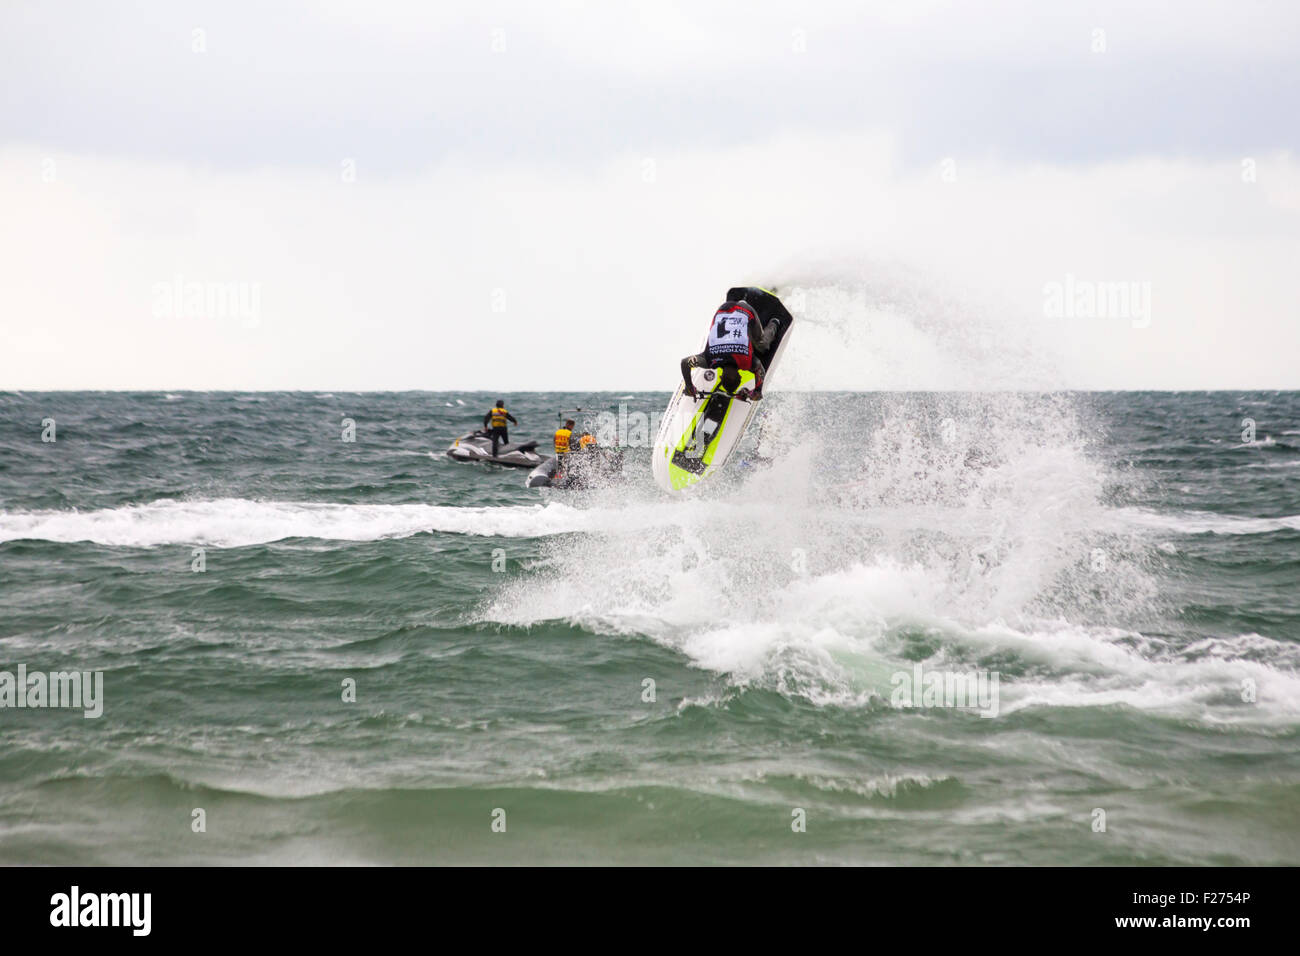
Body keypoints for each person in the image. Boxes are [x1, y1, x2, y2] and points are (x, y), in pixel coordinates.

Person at [680, 287, 792, 401]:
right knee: (750, 341)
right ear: (720, 376)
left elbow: (760, 370)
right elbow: (685, 362)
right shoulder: (709, 360)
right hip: (724, 308)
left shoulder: (746, 362)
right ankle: (745, 303)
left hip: (747, 310)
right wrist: (689, 386)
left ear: (740, 375)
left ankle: (775, 321)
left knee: (762, 345)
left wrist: (755, 392)